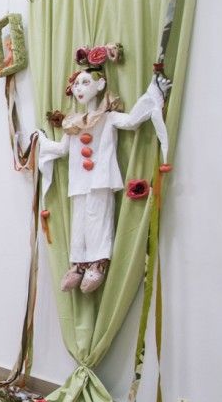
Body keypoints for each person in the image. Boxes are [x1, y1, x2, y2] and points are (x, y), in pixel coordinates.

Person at [35, 47, 170, 293]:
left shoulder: (108, 117)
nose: (79, 88)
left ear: (100, 85)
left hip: (100, 177)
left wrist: (152, 95)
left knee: (98, 218)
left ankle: (97, 264)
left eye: (85, 82)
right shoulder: (72, 122)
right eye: (76, 84)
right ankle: (78, 264)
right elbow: (62, 149)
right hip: (79, 180)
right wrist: (42, 141)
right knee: (79, 221)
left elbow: (131, 121)